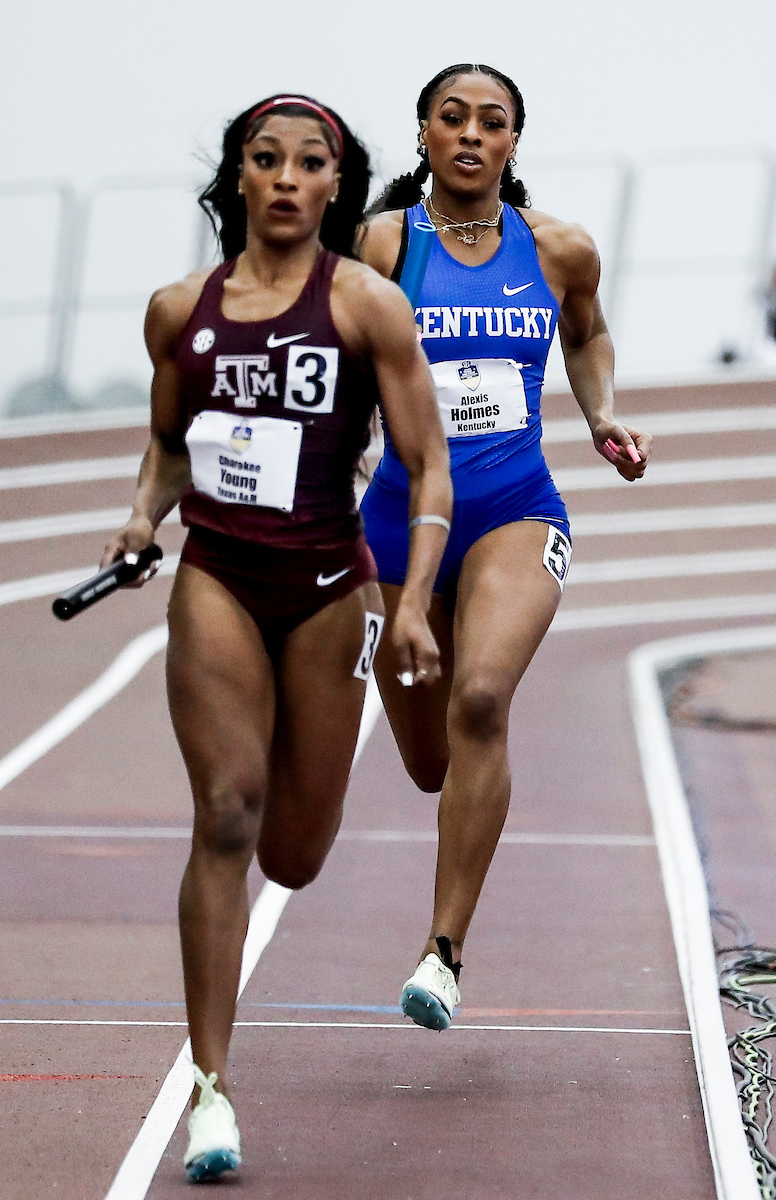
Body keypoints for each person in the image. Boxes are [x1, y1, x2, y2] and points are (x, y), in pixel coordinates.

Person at [101, 94, 451, 1182]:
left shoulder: (366, 306)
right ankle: (211, 1090)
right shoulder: (178, 312)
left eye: (311, 163)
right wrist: (139, 515)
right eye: (267, 160)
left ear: (336, 186)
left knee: (291, 851)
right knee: (224, 814)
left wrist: (417, 598)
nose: (289, 177)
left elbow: (425, 462)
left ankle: (275, 854)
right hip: (214, 578)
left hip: (322, 590)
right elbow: (167, 444)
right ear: (238, 180)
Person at [359, 63, 652, 1031]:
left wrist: (600, 413)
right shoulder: (383, 244)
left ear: (513, 143)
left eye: (492, 122)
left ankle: (441, 952)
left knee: (481, 697)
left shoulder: (557, 248)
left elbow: (587, 336)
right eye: (453, 119)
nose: (472, 135)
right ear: (423, 136)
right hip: (397, 520)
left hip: (514, 508)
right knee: (428, 761)